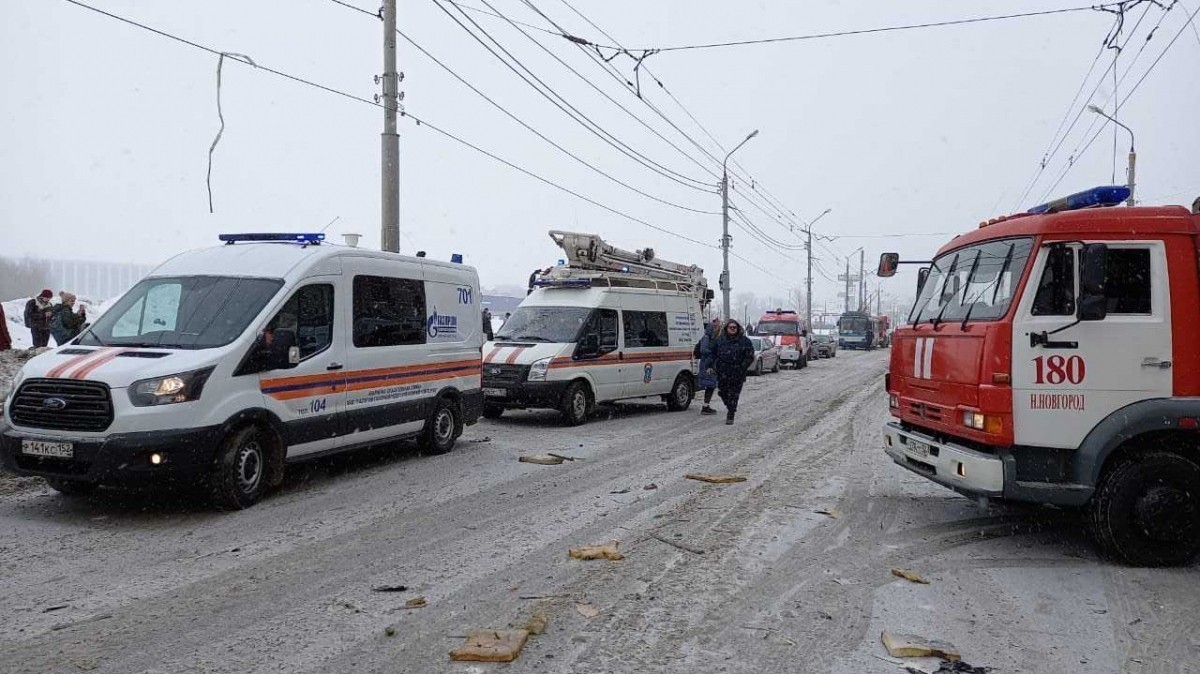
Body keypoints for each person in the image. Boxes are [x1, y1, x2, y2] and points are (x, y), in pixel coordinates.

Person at [712, 319, 755, 425]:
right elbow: (713, 354)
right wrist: (712, 366)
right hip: (723, 371)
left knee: (734, 394)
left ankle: (731, 413)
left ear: (738, 328)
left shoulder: (744, 341)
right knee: (723, 392)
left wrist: (742, 366)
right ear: (726, 328)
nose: (732, 329)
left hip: (737, 372)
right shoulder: (720, 340)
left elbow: (749, 356)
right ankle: (730, 406)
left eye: (734, 327)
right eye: (730, 327)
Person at [695, 318, 721, 415]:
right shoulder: (706, 338)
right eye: (716, 327)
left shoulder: (713, 338)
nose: (717, 329)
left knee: (711, 385)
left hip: (711, 364)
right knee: (710, 385)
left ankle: (706, 406)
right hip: (707, 364)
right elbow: (703, 350)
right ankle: (705, 407)